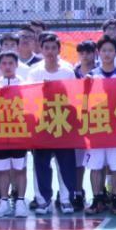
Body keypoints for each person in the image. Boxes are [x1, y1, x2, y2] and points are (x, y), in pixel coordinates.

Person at [28, 32, 79, 214]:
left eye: (53, 48)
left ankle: (66, 200)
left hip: (63, 122)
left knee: (65, 163)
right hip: (42, 123)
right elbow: (29, 98)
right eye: (46, 48)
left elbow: (74, 96)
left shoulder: (67, 71)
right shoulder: (34, 72)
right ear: (41, 50)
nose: (50, 51)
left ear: (59, 50)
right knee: (41, 164)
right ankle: (43, 200)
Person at [84, 37, 116, 216]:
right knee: (96, 165)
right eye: (104, 50)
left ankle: (115, 198)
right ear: (98, 53)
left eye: (110, 50)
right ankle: (97, 199)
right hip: (97, 127)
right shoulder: (91, 76)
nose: (107, 54)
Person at [0, 51, 31, 218]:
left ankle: (20, 202)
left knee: (20, 169)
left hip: (19, 134)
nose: (7, 66)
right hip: (0, 135)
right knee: (2, 169)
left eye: (11, 63)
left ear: (16, 65)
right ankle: (4, 203)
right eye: (4, 63)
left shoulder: (25, 87)